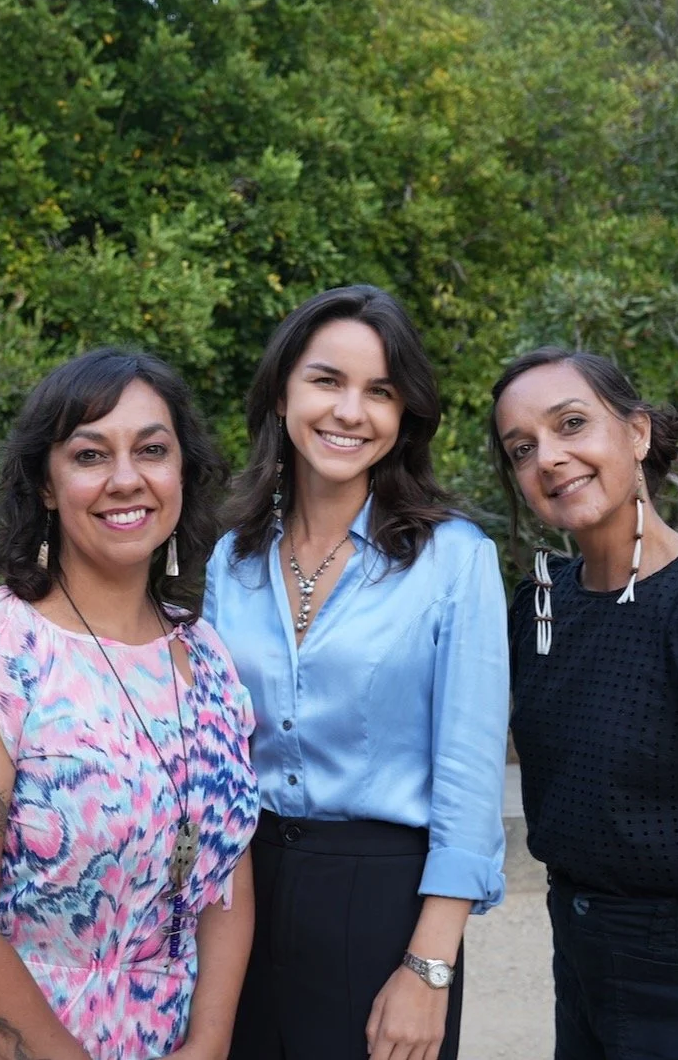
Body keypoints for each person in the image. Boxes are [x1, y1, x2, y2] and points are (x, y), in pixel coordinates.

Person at [0, 348, 260, 1060]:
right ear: (46, 485)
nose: (125, 478)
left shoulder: (206, 657)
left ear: (182, 472)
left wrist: (208, 1041)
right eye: (89, 454)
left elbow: (222, 873)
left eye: (152, 450)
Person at [204, 285, 510, 1060]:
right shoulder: (230, 558)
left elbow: (470, 785)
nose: (350, 410)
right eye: (326, 380)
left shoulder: (456, 559)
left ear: (405, 413)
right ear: (282, 392)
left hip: (384, 905)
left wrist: (428, 966)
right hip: (240, 895)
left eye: (379, 390)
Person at [490, 345, 678, 1060]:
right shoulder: (541, 604)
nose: (549, 457)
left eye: (571, 423)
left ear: (636, 432)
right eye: (522, 448)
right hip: (583, 970)